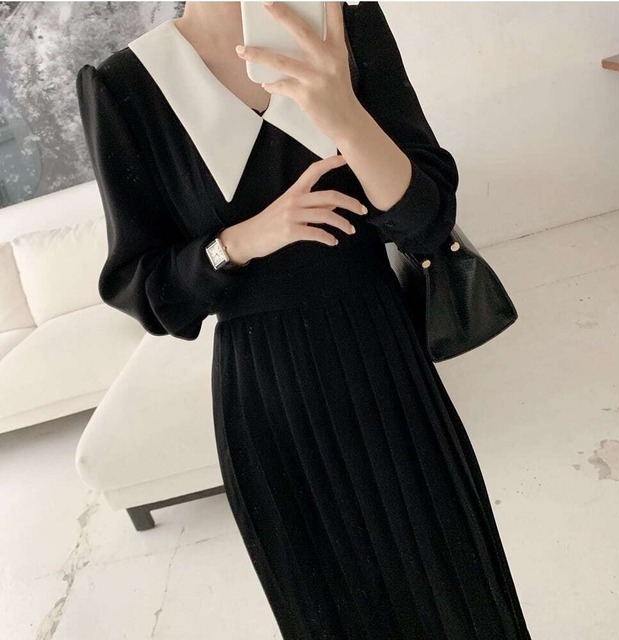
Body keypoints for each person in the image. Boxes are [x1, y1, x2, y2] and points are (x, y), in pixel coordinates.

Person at [76, 2, 533, 638]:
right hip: (268, 398)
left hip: (385, 365)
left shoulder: (348, 25)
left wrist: (342, 110)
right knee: (336, 610)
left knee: (459, 590)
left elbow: (428, 220)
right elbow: (144, 290)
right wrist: (242, 241)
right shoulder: (126, 85)